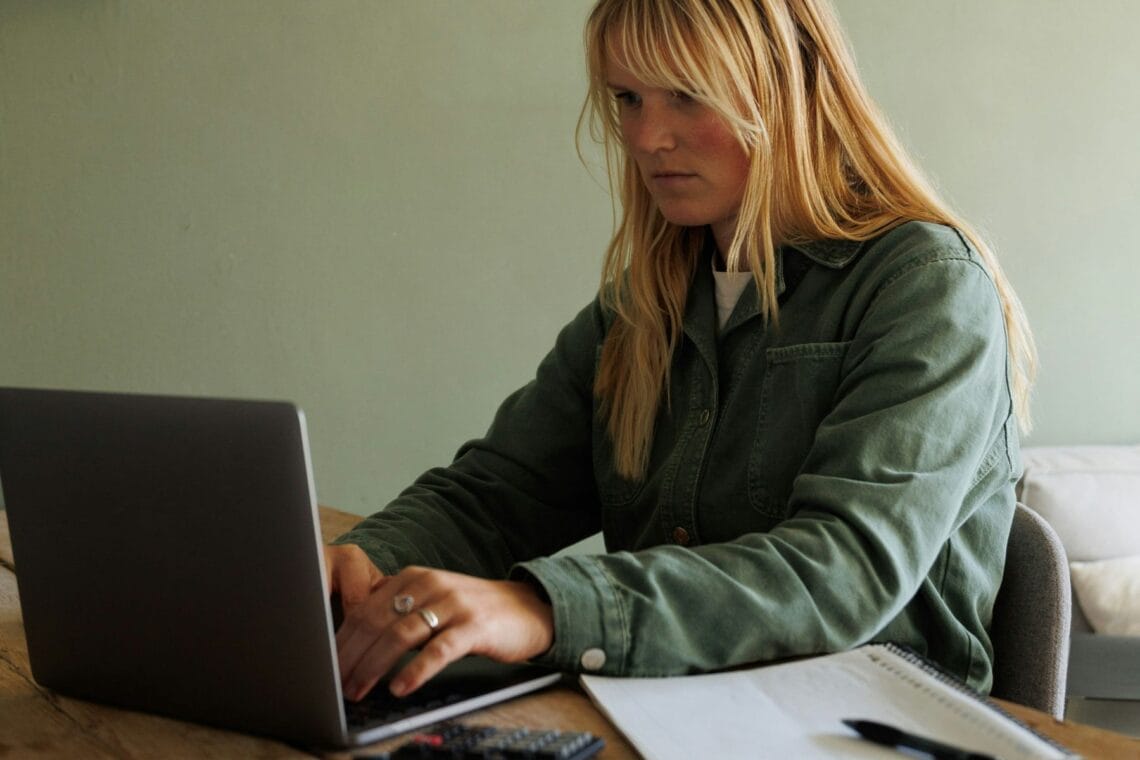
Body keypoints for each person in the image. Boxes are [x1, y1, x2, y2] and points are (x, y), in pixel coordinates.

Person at [326, 0, 1036, 704]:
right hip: (669, 709)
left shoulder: (925, 288)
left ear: (790, 88)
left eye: (688, 96)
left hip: (874, 726)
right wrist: (362, 562)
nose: (647, 137)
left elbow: (843, 570)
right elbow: (497, 497)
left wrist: (547, 610)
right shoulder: (640, 308)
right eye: (628, 99)